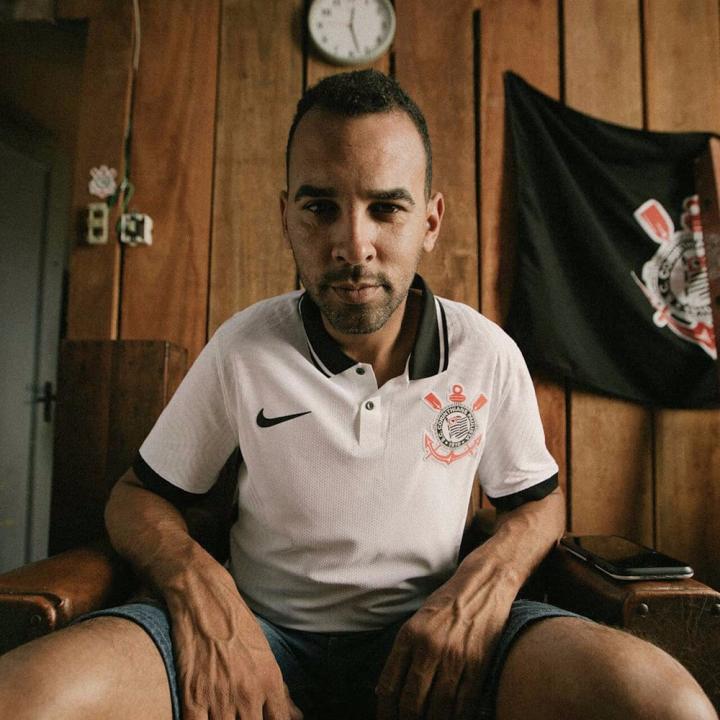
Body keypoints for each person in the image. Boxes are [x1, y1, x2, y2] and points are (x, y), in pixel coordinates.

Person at [0, 70, 716, 720]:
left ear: (429, 221)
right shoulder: (244, 347)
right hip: (257, 635)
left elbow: (538, 502)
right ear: (286, 216)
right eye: (320, 207)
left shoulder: (486, 354)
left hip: (434, 637)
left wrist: (483, 590)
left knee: (668, 705)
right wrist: (201, 595)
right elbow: (136, 497)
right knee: (21, 697)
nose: (353, 245)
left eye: (386, 208)